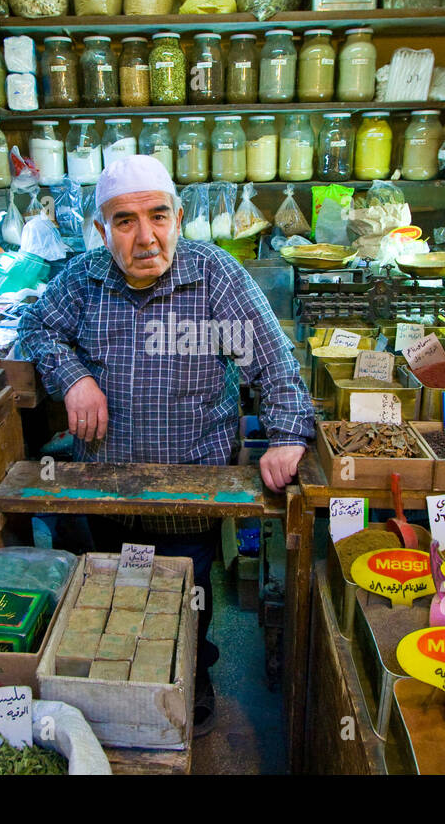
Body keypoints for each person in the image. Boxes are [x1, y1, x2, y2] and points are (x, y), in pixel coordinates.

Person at [17, 155, 315, 735]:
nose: (145, 236)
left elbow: (272, 358)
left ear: (178, 217)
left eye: (158, 216)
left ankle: (191, 676)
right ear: (102, 232)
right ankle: (118, 689)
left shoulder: (215, 277)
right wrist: (73, 377)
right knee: (111, 599)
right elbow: (36, 326)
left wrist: (284, 436)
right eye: (124, 222)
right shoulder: (83, 279)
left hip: (190, 499)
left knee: (189, 597)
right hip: (106, 493)